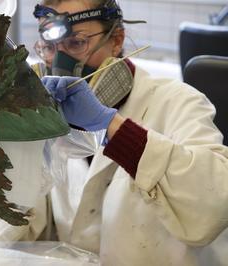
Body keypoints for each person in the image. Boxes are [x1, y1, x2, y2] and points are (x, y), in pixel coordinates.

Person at [29, 0, 228, 265]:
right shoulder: (50, 123)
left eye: (77, 43)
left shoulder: (179, 102)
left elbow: (212, 206)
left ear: (116, 39)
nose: (59, 64)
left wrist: (111, 127)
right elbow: (22, 227)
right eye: (50, 47)